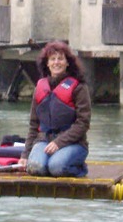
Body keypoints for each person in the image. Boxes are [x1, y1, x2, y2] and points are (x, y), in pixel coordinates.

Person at [19, 40, 91, 177]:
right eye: (52, 59)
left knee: (56, 167)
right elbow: (34, 125)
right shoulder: (40, 87)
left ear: (67, 62)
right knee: (36, 167)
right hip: (44, 140)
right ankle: (47, 160)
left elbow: (83, 123)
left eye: (60, 59)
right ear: (47, 63)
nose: (56, 62)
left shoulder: (79, 87)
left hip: (74, 143)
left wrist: (59, 142)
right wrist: (25, 154)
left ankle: (80, 168)